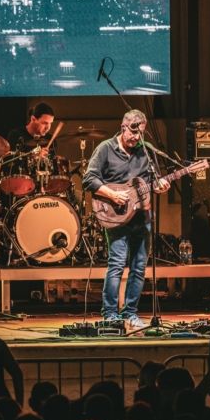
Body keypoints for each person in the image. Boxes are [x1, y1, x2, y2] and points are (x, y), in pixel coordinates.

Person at [83, 110, 171, 332]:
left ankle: (130, 314)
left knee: (139, 267)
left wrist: (162, 187)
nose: (136, 138)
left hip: (143, 216)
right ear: (123, 127)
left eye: (140, 134)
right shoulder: (105, 148)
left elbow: (155, 180)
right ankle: (110, 315)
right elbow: (89, 179)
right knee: (116, 264)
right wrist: (112, 194)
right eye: (133, 133)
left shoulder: (147, 151)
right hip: (116, 216)